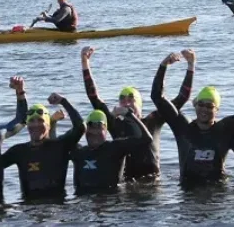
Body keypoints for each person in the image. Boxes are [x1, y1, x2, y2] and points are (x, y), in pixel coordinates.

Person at [151, 53, 234, 186]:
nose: (204, 109)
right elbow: (157, 97)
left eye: (209, 106)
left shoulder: (225, 129)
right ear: (195, 105)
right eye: (201, 104)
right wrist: (163, 66)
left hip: (217, 192)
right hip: (188, 192)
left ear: (217, 109)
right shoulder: (183, 127)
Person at [81, 46, 194, 180]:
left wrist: (190, 65)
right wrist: (85, 62)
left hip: (153, 182)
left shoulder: (153, 120)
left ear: (139, 104)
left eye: (131, 100)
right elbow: (94, 97)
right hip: (128, 183)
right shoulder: (115, 124)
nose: (127, 104)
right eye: (123, 101)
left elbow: (181, 98)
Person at [1, 93, 86, 201]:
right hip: (28, 208)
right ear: (27, 125)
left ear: (49, 125)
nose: (36, 125)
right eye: (32, 121)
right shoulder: (19, 151)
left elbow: (80, 127)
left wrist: (63, 101)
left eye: (41, 121)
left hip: (56, 207)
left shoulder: (60, 146)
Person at [72, 109, 153, 195]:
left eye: (99, 127)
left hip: (110, 199)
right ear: (85, 131)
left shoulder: (115, 148)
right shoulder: (78, 152)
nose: (95, 132)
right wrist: (64, 103)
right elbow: (76, 128)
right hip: (82, 200)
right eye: (91, 127)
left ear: (106, 131)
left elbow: (146, 139)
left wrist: (129, 114)